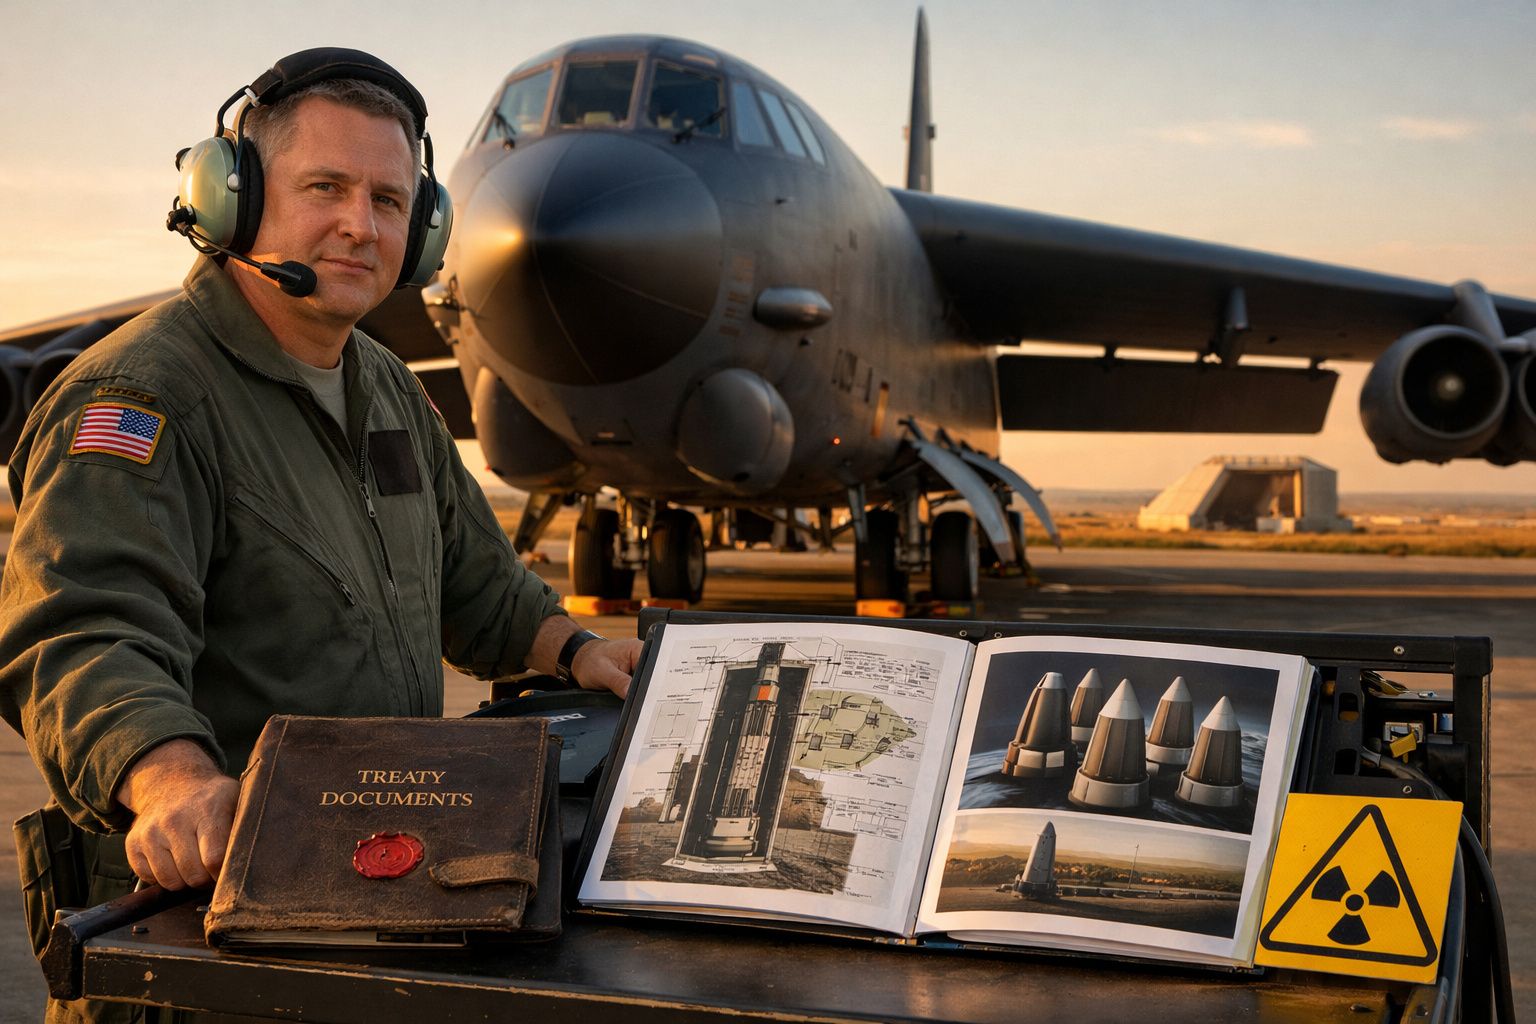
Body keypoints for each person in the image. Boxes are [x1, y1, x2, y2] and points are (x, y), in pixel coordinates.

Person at [0, 49, 641, 1021]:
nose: (360, 225)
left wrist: (582, 650)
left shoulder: (386, 388)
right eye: (325, 188)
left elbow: (474, 582)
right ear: (234, 199)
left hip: (374, 891)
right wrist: (171, 782)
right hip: (201, 931)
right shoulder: (143, 397)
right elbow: (85, 632)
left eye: (389, 200)